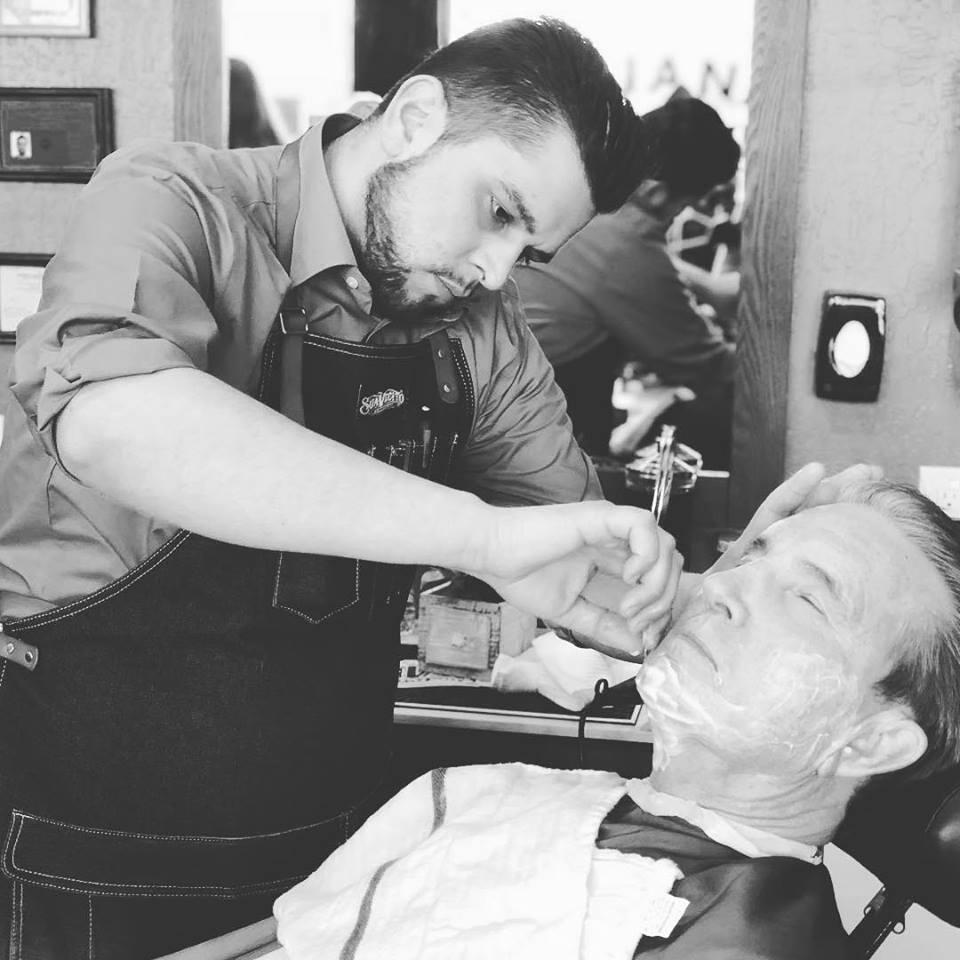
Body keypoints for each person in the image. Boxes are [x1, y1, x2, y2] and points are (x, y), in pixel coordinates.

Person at [0, 18, 684, 959]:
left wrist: (739, 589)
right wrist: (476, 537)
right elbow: (116, 424)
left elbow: (572, 558)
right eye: (499, 212)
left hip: (334, 856)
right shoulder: (177, 202)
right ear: (415, 117)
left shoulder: (481, 328)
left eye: (529, 253)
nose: (495, 271)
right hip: (94, 848)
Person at [272, 472, 960, 960]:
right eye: (752, 557)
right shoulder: (512, 795)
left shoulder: (741, 940)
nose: (721, 586)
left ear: (870, 743)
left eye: (807, 599)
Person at [515, 96, 740, 457]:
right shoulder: (627, 244)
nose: (676, 220)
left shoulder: (583, 196)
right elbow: (715, 373)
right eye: (683, 207)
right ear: (657, 193)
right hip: (530, 434)